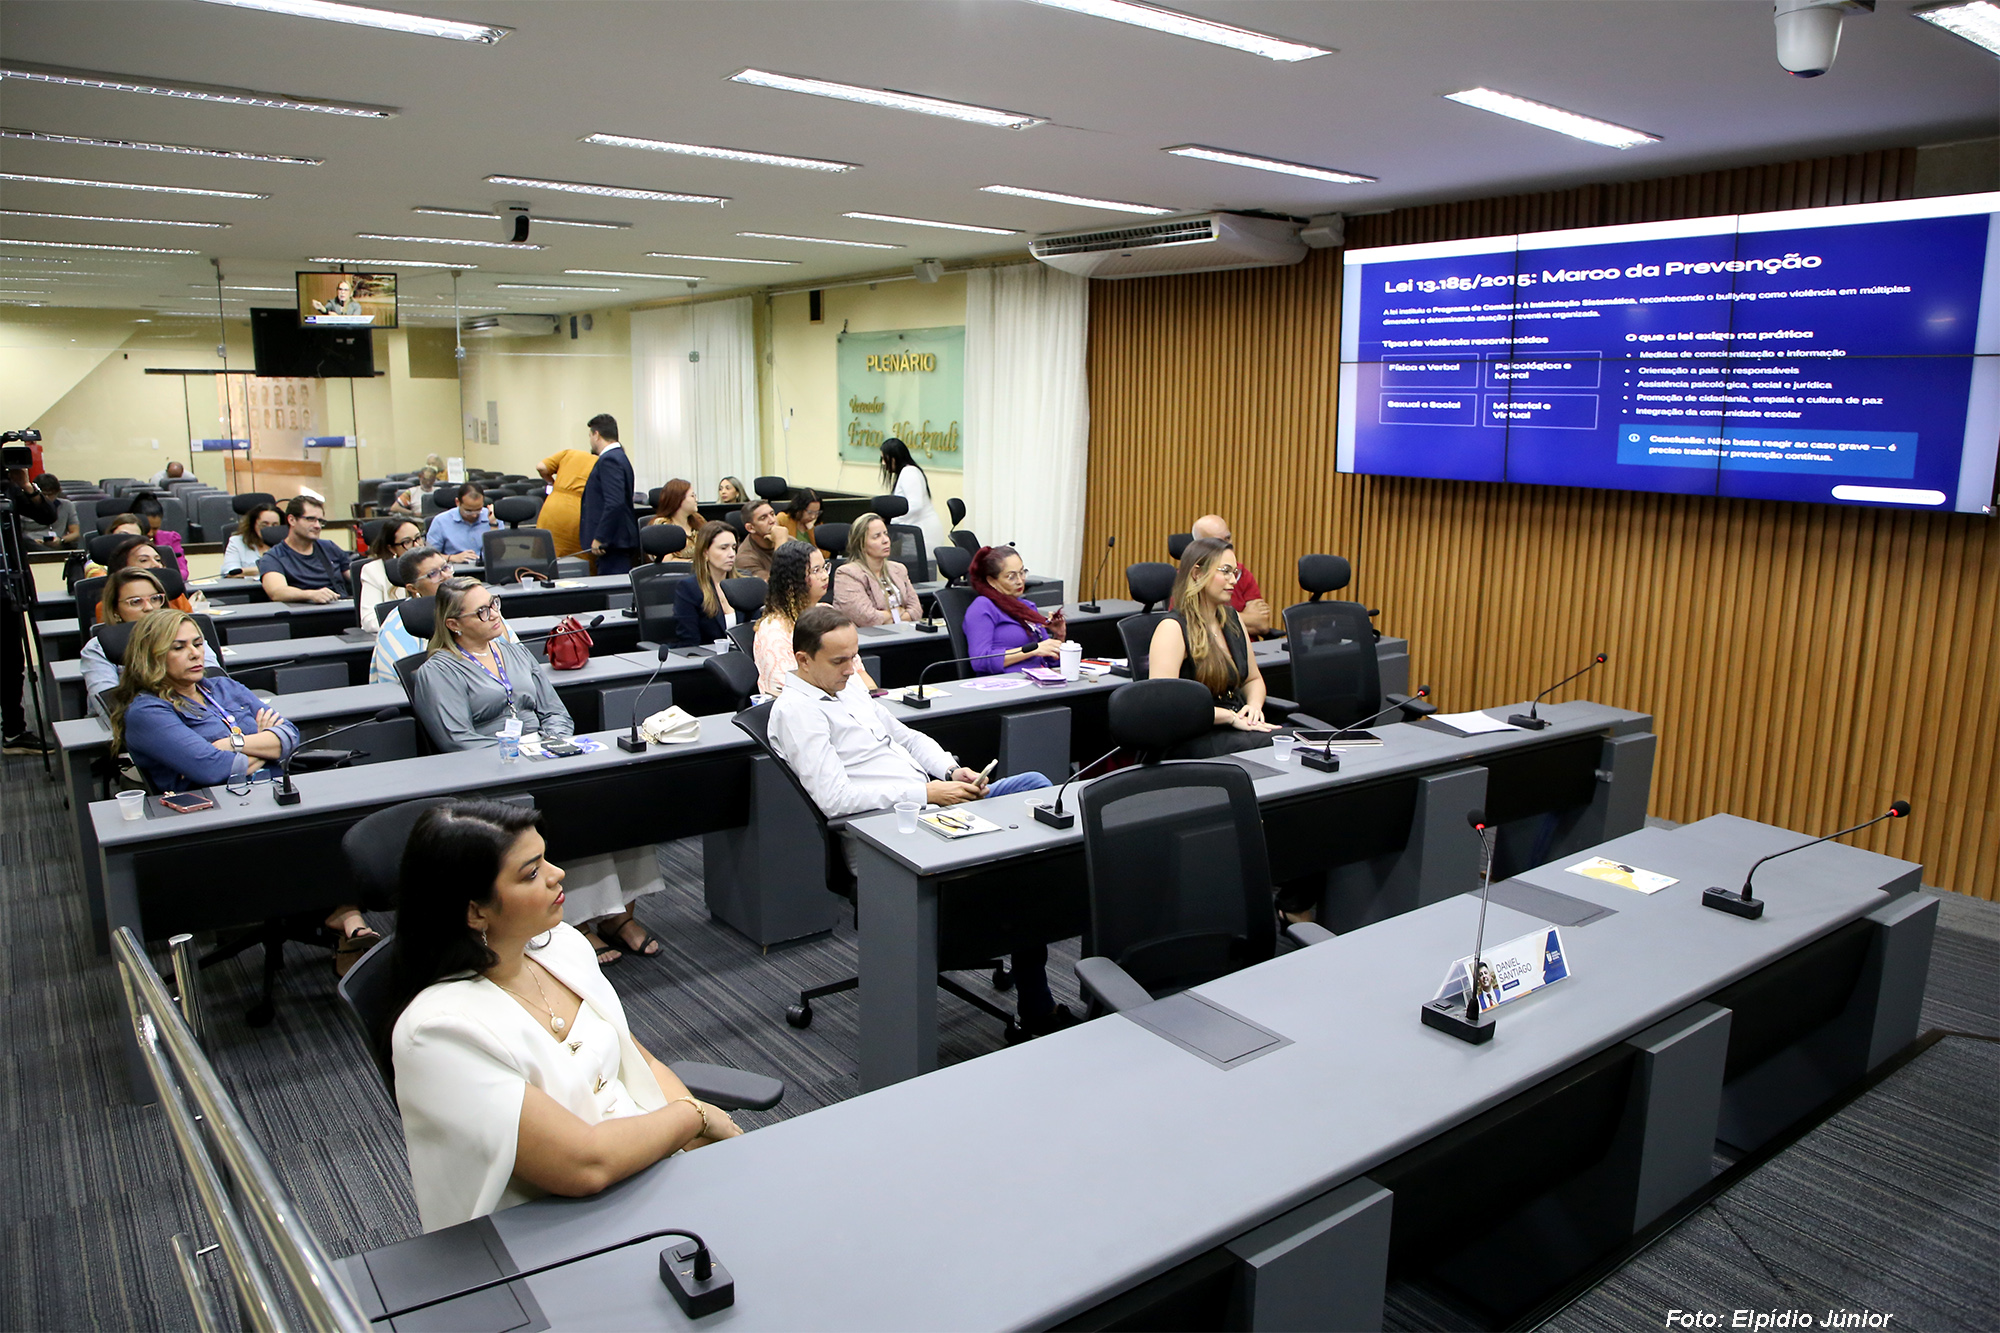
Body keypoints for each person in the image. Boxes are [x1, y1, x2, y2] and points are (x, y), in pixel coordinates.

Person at [385, 800, 740, 1233]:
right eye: (531, 873)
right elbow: (585, 1165)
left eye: (546, 859)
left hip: (644, 1171)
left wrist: (702, 1150)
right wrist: (695, 1117)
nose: (557, 874)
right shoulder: (438, 1031)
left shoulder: (562, 945)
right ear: (475, 911)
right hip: (554, 1230)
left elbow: (640, 1061)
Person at [769, 606, 1073, 1038]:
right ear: (803, 659)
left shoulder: (845, 686)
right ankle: (1036, 998)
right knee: (1021, 874)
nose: (852, 669)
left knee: (1037, 789)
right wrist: (925, 794)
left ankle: (1034, 919)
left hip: (931, 806)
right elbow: (835, 801)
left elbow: (906, 737)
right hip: (891, 833)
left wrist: (950, 770)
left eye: (854, 657)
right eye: (839, 661)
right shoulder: (797, 712)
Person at [106, 610, 380, 966]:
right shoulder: (148, 712)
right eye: (179, 647)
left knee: (344, 815)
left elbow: (289, 736)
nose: (195, 653)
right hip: (215, 823)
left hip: (267, 795)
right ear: (151, 656)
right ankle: (348, 920)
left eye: (198, 643)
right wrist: (261, 744)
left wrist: (232, 744)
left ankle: (346, 919)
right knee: (323, 831)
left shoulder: (221, 686)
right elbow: (211, 768)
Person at [411, 578, 662, 963]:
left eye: (494, 603)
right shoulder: (439, 671)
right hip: (495, 769)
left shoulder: (513, 652)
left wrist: (552, 744)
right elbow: (457, 741)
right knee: (573, 807)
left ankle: (619, 914)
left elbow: (556, 711)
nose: (494, 614)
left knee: (615, 794)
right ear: (453, 624)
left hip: (544, 755)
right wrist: (525, 753)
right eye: (482, 611)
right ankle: (576, 922)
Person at [1147, 537, 1279, 758]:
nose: (1233, 580)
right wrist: (1230, 717)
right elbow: (1165, 705)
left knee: (1298, 741)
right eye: (1225, 571)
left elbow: (1253, 679)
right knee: (1274, 751)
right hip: (1195, 736)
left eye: (1234, 572)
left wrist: (1254, 706)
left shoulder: (1233, 619)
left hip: (1235, 727)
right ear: (1197, 574)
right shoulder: (1172, 628)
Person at [80, 569, 220, 708]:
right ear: (115, 610)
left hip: (200, 711)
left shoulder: (186, 635)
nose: (149, 607)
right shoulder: (99, 647)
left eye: (155, 599)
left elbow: (215, 682)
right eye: (136, 602)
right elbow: (109, 705)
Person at [2, 468, 60, 755]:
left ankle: (14, 731)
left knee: (11, 661)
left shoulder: (7, 486)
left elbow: (48, 515)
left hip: (8, 585)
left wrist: (26, 485)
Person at [965, 545, 1066, 675]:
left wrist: (1059, 636)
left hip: (1040, 677)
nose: (1020, 581)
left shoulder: (1027, 607)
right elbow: (980, 661)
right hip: (1005, 682)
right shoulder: (982, 607)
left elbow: (1052, 662)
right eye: (1011, 576)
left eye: (1022, 572)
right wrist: (1032, 651)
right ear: (991, 581)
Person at [751, 539, 831, 696]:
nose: (824, 576)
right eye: (816, 570)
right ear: (793, 579)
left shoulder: (828, 612)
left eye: (824, 568)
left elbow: (857, 670)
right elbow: (788, 689)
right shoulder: (774, 630)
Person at [369, 547, 455, 683]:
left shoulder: (463, 607)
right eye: (433, 574)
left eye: (445, 568)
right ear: (413, 588)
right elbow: (406, 682)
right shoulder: (400, 625)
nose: (446, 576)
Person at [1189, 514, 1273, 637]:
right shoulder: (1190, 578)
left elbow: (1262, 624)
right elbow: (1194, 622)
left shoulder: (1241, 573)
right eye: (1218, 541)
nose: (1227, 545)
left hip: (1246, 645)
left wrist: (1218, 619)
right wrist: (1245, 616)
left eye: (1228, 538)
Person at [831, 513, 919, 627]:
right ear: (861, 544)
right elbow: (867, 618)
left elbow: (916, 610)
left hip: (905, 633)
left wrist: (887, 617)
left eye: (885, 534)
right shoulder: (847, 574)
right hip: (867, 636)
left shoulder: (899, 569)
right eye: (876, 536)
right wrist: (899, 613)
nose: (885, 540)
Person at [258, 495, 350, 604]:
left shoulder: (329, 547)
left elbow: (355, 577)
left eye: (320, 521)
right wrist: (311, 594)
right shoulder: (273, 557)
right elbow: (277, 592)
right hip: (304, 611)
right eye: (310, 519)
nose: (317, 526)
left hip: (341, 606)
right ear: (292, 520)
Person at [578, 413, 639, 576]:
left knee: (614, 589)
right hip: (617, 542)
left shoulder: (609, 460)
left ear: (597, 435)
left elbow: (615, 502)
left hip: (612, 544)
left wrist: (601, 537)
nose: (590, 440)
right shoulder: (620, 457)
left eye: (590, 435)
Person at [671, 521, 739, 648]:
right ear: (705, 553)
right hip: (707, 656)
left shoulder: (744, 584)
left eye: (733, 548)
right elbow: (690, 641)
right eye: (723, 548)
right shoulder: (689, 588)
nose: (731, 554)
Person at [880, 438, 947, 558]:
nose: (883, 463)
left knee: (918, 567)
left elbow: (915, 505)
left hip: (923, 533)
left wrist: (892, 522)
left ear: (894, 458)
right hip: (915, 532)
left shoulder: (909, 473)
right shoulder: (907, 472)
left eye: (885, 459)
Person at [359, 518, 424, 633]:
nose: (417, 545)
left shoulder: (435, 566)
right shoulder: (374, 571)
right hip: (396, 635)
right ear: (391, 548)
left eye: (418, 538)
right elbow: (369, 621)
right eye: (407, 542)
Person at [535, 447, 596, 558]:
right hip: (580, 511)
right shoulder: (603, 464)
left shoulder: (570, 453)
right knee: (579, 562)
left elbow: (541, 467)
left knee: (544, 557)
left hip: (553, 508)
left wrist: (551, 482)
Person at [426, 482, 495, 564]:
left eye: (478, 510)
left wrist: (493, 524)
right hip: (455, 568)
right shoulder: (440, 521)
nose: (474, 515)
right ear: (458, 502)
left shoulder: (492, 516)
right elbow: (429, 556)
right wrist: (451, 557)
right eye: (468, 511)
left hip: (487, 566)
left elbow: (500, 553)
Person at [131, 496, 188, 578]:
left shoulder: (171, 538)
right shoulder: (128, 541)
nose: (150, 533)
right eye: (147, 528)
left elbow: (183, 571)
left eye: (155, 528)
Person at [221, 504, 281, 577]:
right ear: (253, 524)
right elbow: (231, 572)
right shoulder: (237, 542)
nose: (269, 529)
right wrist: (269, 568)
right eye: (264, 525)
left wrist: (247, 571)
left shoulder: (285, 544)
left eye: (275, 525)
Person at [731, 497, 784, 580]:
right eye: (763, 518)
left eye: (772, 514)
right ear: (750, 528)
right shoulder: (745, 558)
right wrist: (781, 544)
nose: (772, 520)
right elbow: (776, 583)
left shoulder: (787, 539)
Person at [22, 473, 78, 549]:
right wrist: (32, 541)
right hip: (32, 545)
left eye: (51, 494)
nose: (47, 498)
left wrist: (61, 540)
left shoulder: (67, 505)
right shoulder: (24, 507)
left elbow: (75, 533)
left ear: (58, 492)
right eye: (44, 494)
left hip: (58, 545)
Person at [647, 478, 703, 547]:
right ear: (678, 499)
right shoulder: (662, 526)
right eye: (692, 496)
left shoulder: (698, 519)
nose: (696, 500)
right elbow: (665, 554)